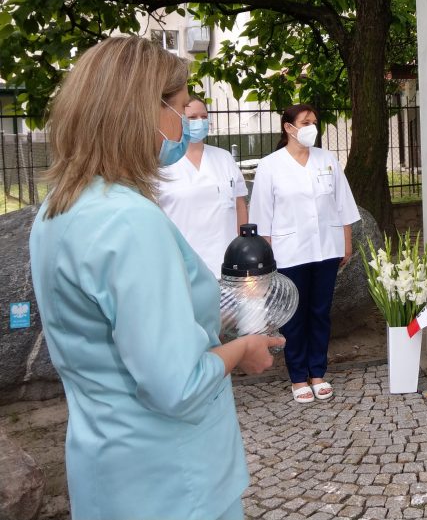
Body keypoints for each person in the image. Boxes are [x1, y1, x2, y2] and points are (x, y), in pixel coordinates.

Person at [29, 36, 283, 520]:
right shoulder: (129, 221)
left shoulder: (58, 209)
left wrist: (215, 322)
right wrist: (243, 349)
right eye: (181, 107)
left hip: (107, 468)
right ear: (141, 112)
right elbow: (178, 385)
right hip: (173, 479)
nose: (186, 122)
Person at [248, 104, 359, 404]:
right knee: (294, 316)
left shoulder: (327, 159)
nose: (312, 126)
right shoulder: (270, 165)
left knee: (320, 313)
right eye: (305, 122)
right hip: (289, 253)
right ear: (288, 128)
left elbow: (343, 203)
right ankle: (298, 377)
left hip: (325, 248)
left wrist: (345, 241)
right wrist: (267, 255)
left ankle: (318, 373)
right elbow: (261, 214)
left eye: (314, 121)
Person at [157, 97, 248, 277]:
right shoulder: (162, 164)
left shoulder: (224, 158)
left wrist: (244, 247)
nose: (200, 122)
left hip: (227, 262)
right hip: (183, 266)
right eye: (192, 117)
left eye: (204, 116)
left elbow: (239, 205)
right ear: (179, 118)